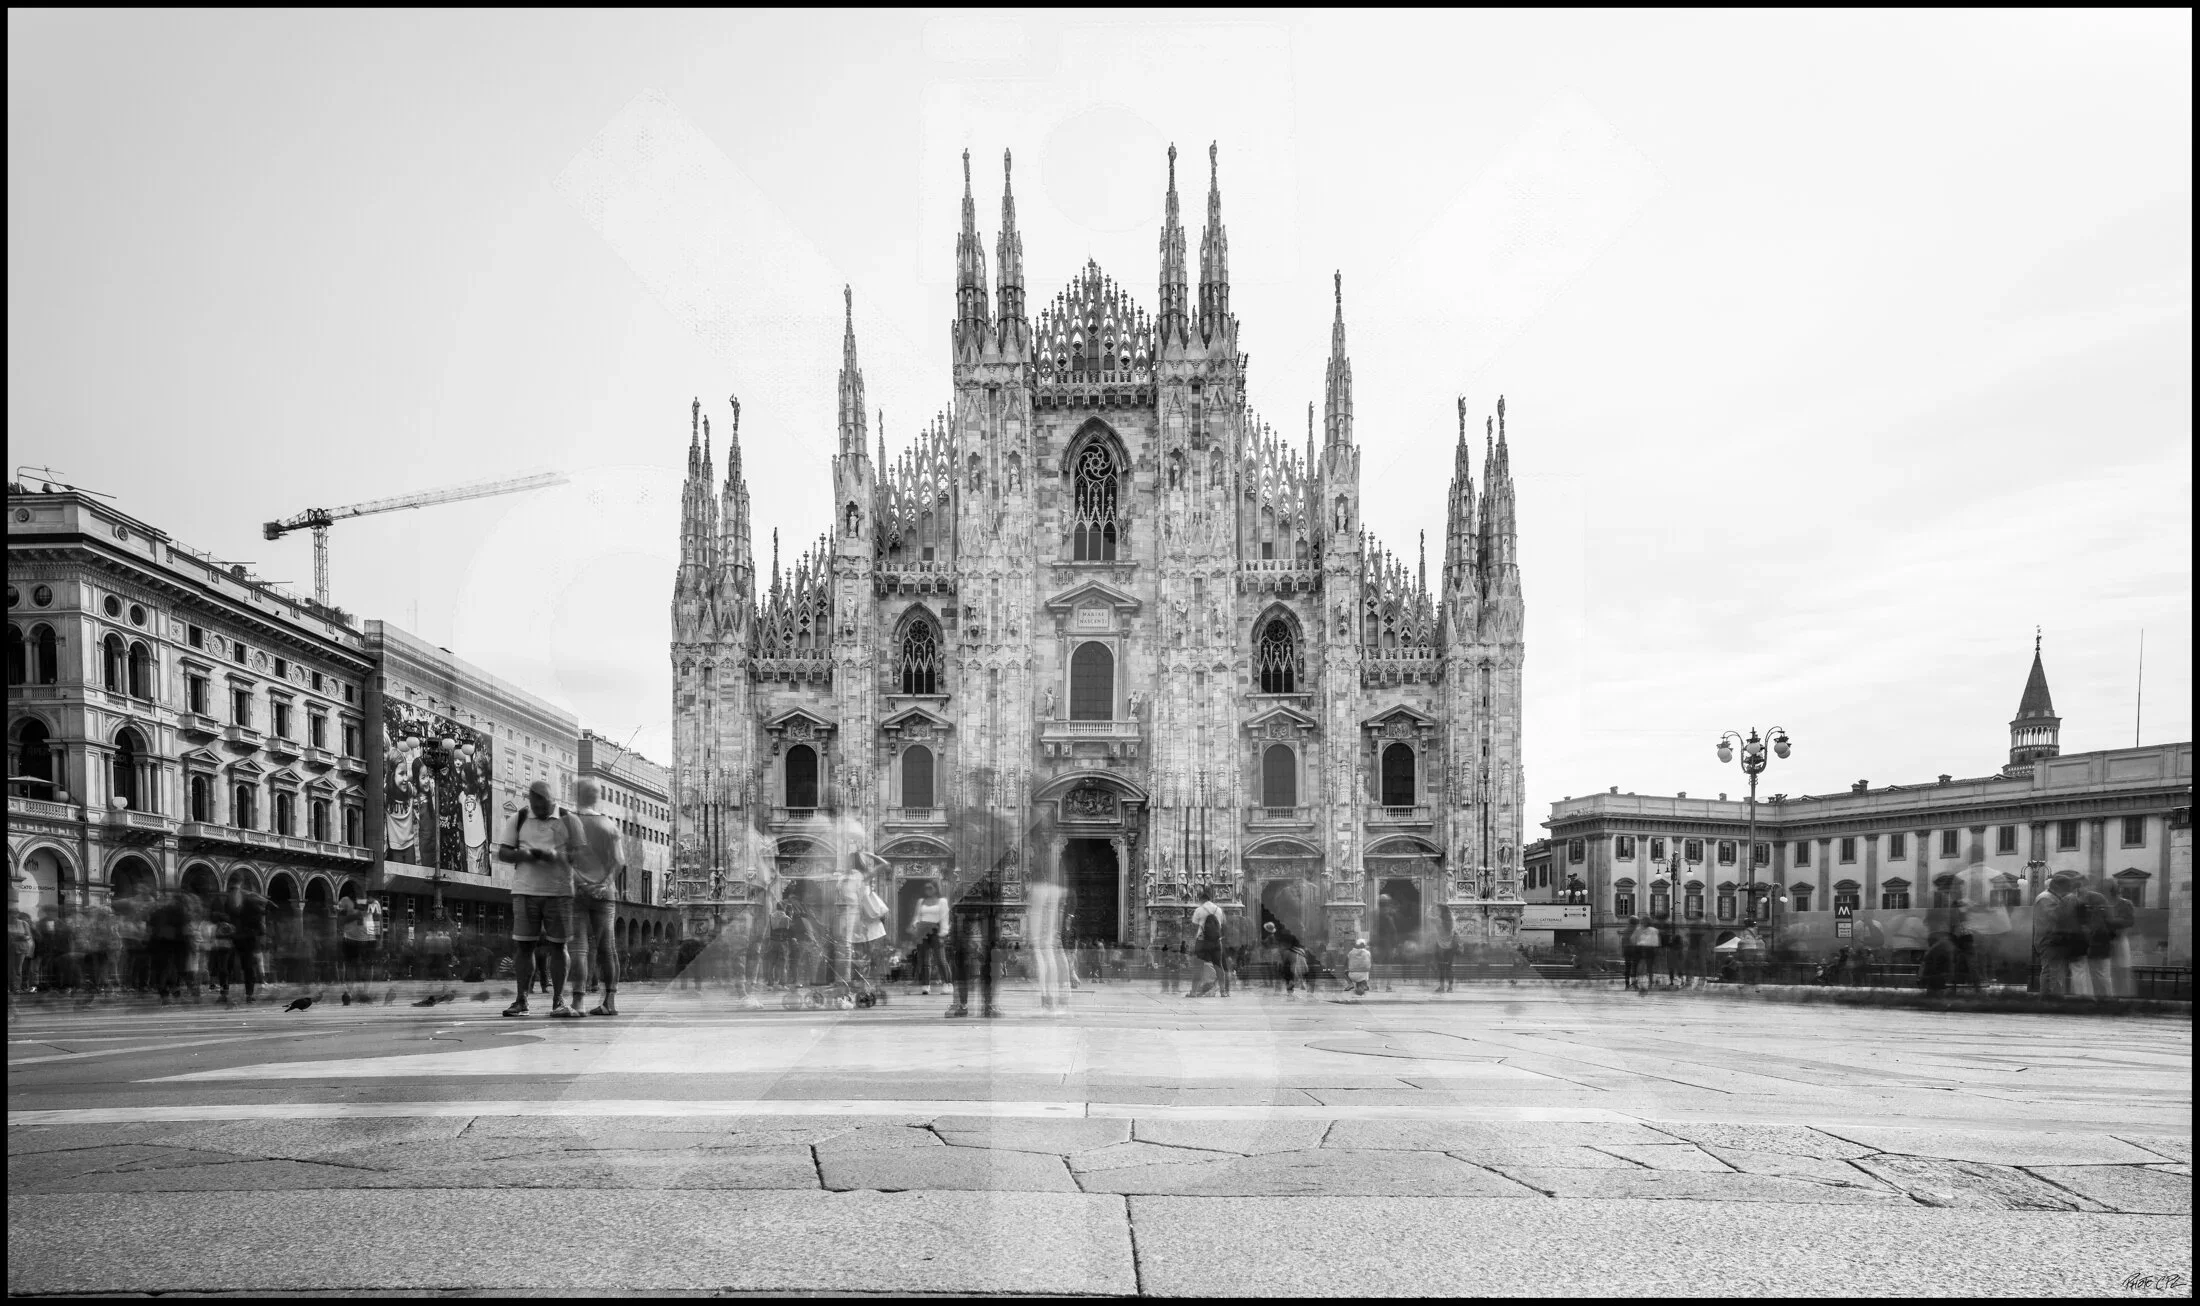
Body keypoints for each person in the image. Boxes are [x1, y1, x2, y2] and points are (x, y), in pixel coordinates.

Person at [495, 779, 582, 1018]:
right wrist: (527, 854)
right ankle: (521, 1000)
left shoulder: (569, 820)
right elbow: (503, 852)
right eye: (535, 804)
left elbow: (582, 855)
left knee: (559, 946)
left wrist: (557, 856)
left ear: (552, 800)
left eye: (543, 805)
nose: (539, 810)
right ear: (530, 799)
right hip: (525, 891)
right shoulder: (519, 818)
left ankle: (558, 1000)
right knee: (524, 946)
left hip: (559, 893)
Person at [564, 779, 625, 1017]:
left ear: (576, 794)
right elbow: (619, 861)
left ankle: (578, 1002)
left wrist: (582, 884)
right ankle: (609, 1002)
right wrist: (604, 884)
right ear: (596, 797)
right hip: (605, 895)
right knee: (607, 949)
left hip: (577, 893)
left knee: (579, 948)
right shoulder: (609, 824)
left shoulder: (568, 822)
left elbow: (563, 860)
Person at [1025, 858, 1068, 1013]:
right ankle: (1052, 998)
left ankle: (1045, 999)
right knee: (1050, 958)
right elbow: (1057, 912)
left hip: (1039, 930)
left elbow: (1032, 912)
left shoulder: (1035, 890)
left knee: (1041, 959)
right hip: (1050, 931)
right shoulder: (1054, 890)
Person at [2032, 875, 2074, 995]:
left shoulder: (2052, 897)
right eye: (2066, 888)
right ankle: (2047, 998)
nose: (2067, 891)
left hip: (2055, 941)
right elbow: (2055, 917)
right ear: (2058, 887)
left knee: (2057, 973)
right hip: (2049, 941)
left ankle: (2055, 997)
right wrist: (2067, 903)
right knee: (2050, 972)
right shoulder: (2045, 898)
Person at [909, 880, 949, 995]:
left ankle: (947, 984)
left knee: (941, 959)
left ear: (936, 888)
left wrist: (943, 933)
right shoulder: (921, 901)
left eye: (930, 888)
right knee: (924, 960)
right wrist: (915, 924)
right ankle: (926, 985)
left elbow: (944, 918)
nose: (928, 890)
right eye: (926, 888)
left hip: (936, 930)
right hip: (923, 930)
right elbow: (917, 916)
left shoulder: (942, 901)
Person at [1188, 888, 1227, 998]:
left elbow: (1194, 927)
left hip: (1202, 941)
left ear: (1202, 900)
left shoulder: (1199, 910)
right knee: (1219, 966)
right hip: (1216, 942)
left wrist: (1192, 942)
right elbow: (1222, 925)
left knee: (1198, 967)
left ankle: (1193, 992)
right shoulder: (1218, 910)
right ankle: (1223, 992)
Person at [1431, 911, 1457, 993]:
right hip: (1450, 949)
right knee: (1449, 968)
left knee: (1441, 968)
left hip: (1441, 948)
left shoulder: (1440, 923)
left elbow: (1429, 917)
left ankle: (1442, 987)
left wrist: (1430, 910)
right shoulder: (1452, 925)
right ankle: (1450, 988)